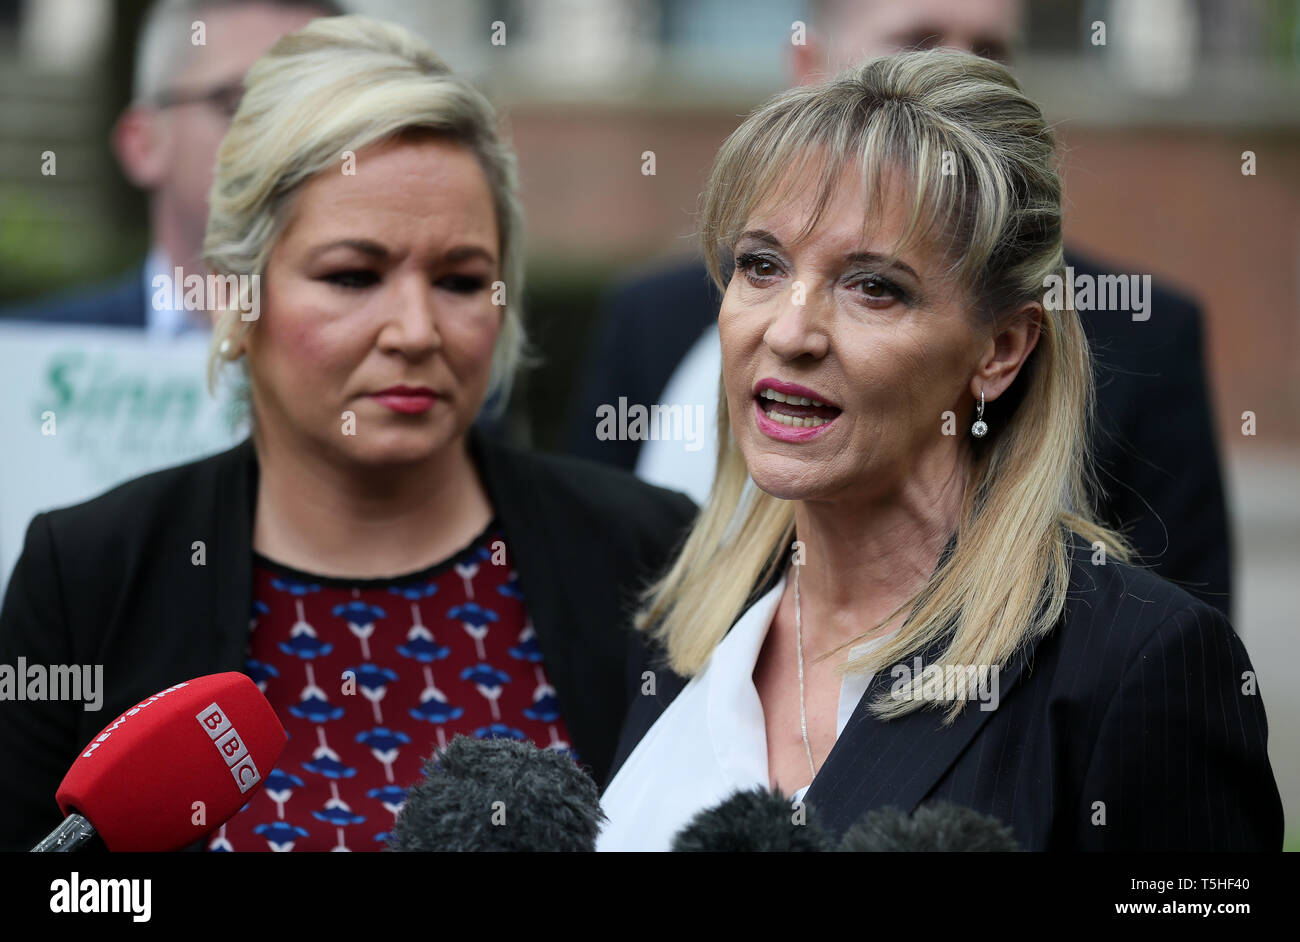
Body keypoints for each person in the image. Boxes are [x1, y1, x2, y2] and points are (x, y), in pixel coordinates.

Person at [0, 15, 696, 853]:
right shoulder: (93, 575)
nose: (414, 328)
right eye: (353, 276)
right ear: (237, 291)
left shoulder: (647, 554)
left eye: (461, 280)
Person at [597, 50, 1282, 852]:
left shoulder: (1135, 667)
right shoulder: (686, 622)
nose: (789, 331)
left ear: (1000, 349)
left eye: (873, 287)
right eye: (761, 266)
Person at [566, 0, 1234, 620]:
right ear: (809, 69)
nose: (791, 332)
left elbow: (1180, 636)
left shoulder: (1144, 332)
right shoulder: (651, 316)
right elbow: (596, 595)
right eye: (918, 43)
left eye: (993, 49)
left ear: (1004, 348)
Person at [2, 0, 344, 337]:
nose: (284, 140)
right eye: (238, 104)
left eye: (316, 109)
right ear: (144, 144)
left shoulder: (384, 354)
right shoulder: (26, 361)